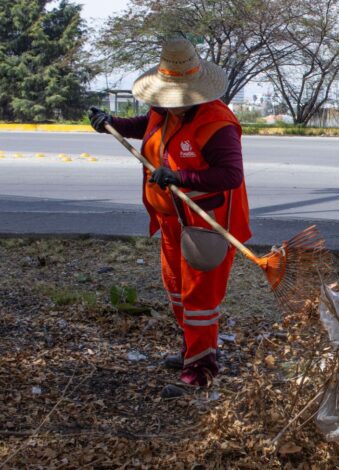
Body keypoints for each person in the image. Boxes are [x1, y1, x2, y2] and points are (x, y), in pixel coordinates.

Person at [89, 38, 251, 395]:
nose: (167, 106)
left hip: (205, 223)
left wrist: (181, 177)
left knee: (199, 297)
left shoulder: (217, 124)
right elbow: (146, 125)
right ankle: (192, 351)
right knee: (177, 290)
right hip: (172, 219)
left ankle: (202, 368)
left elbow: (230, 175)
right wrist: (110, 123)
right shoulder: (166, 110)